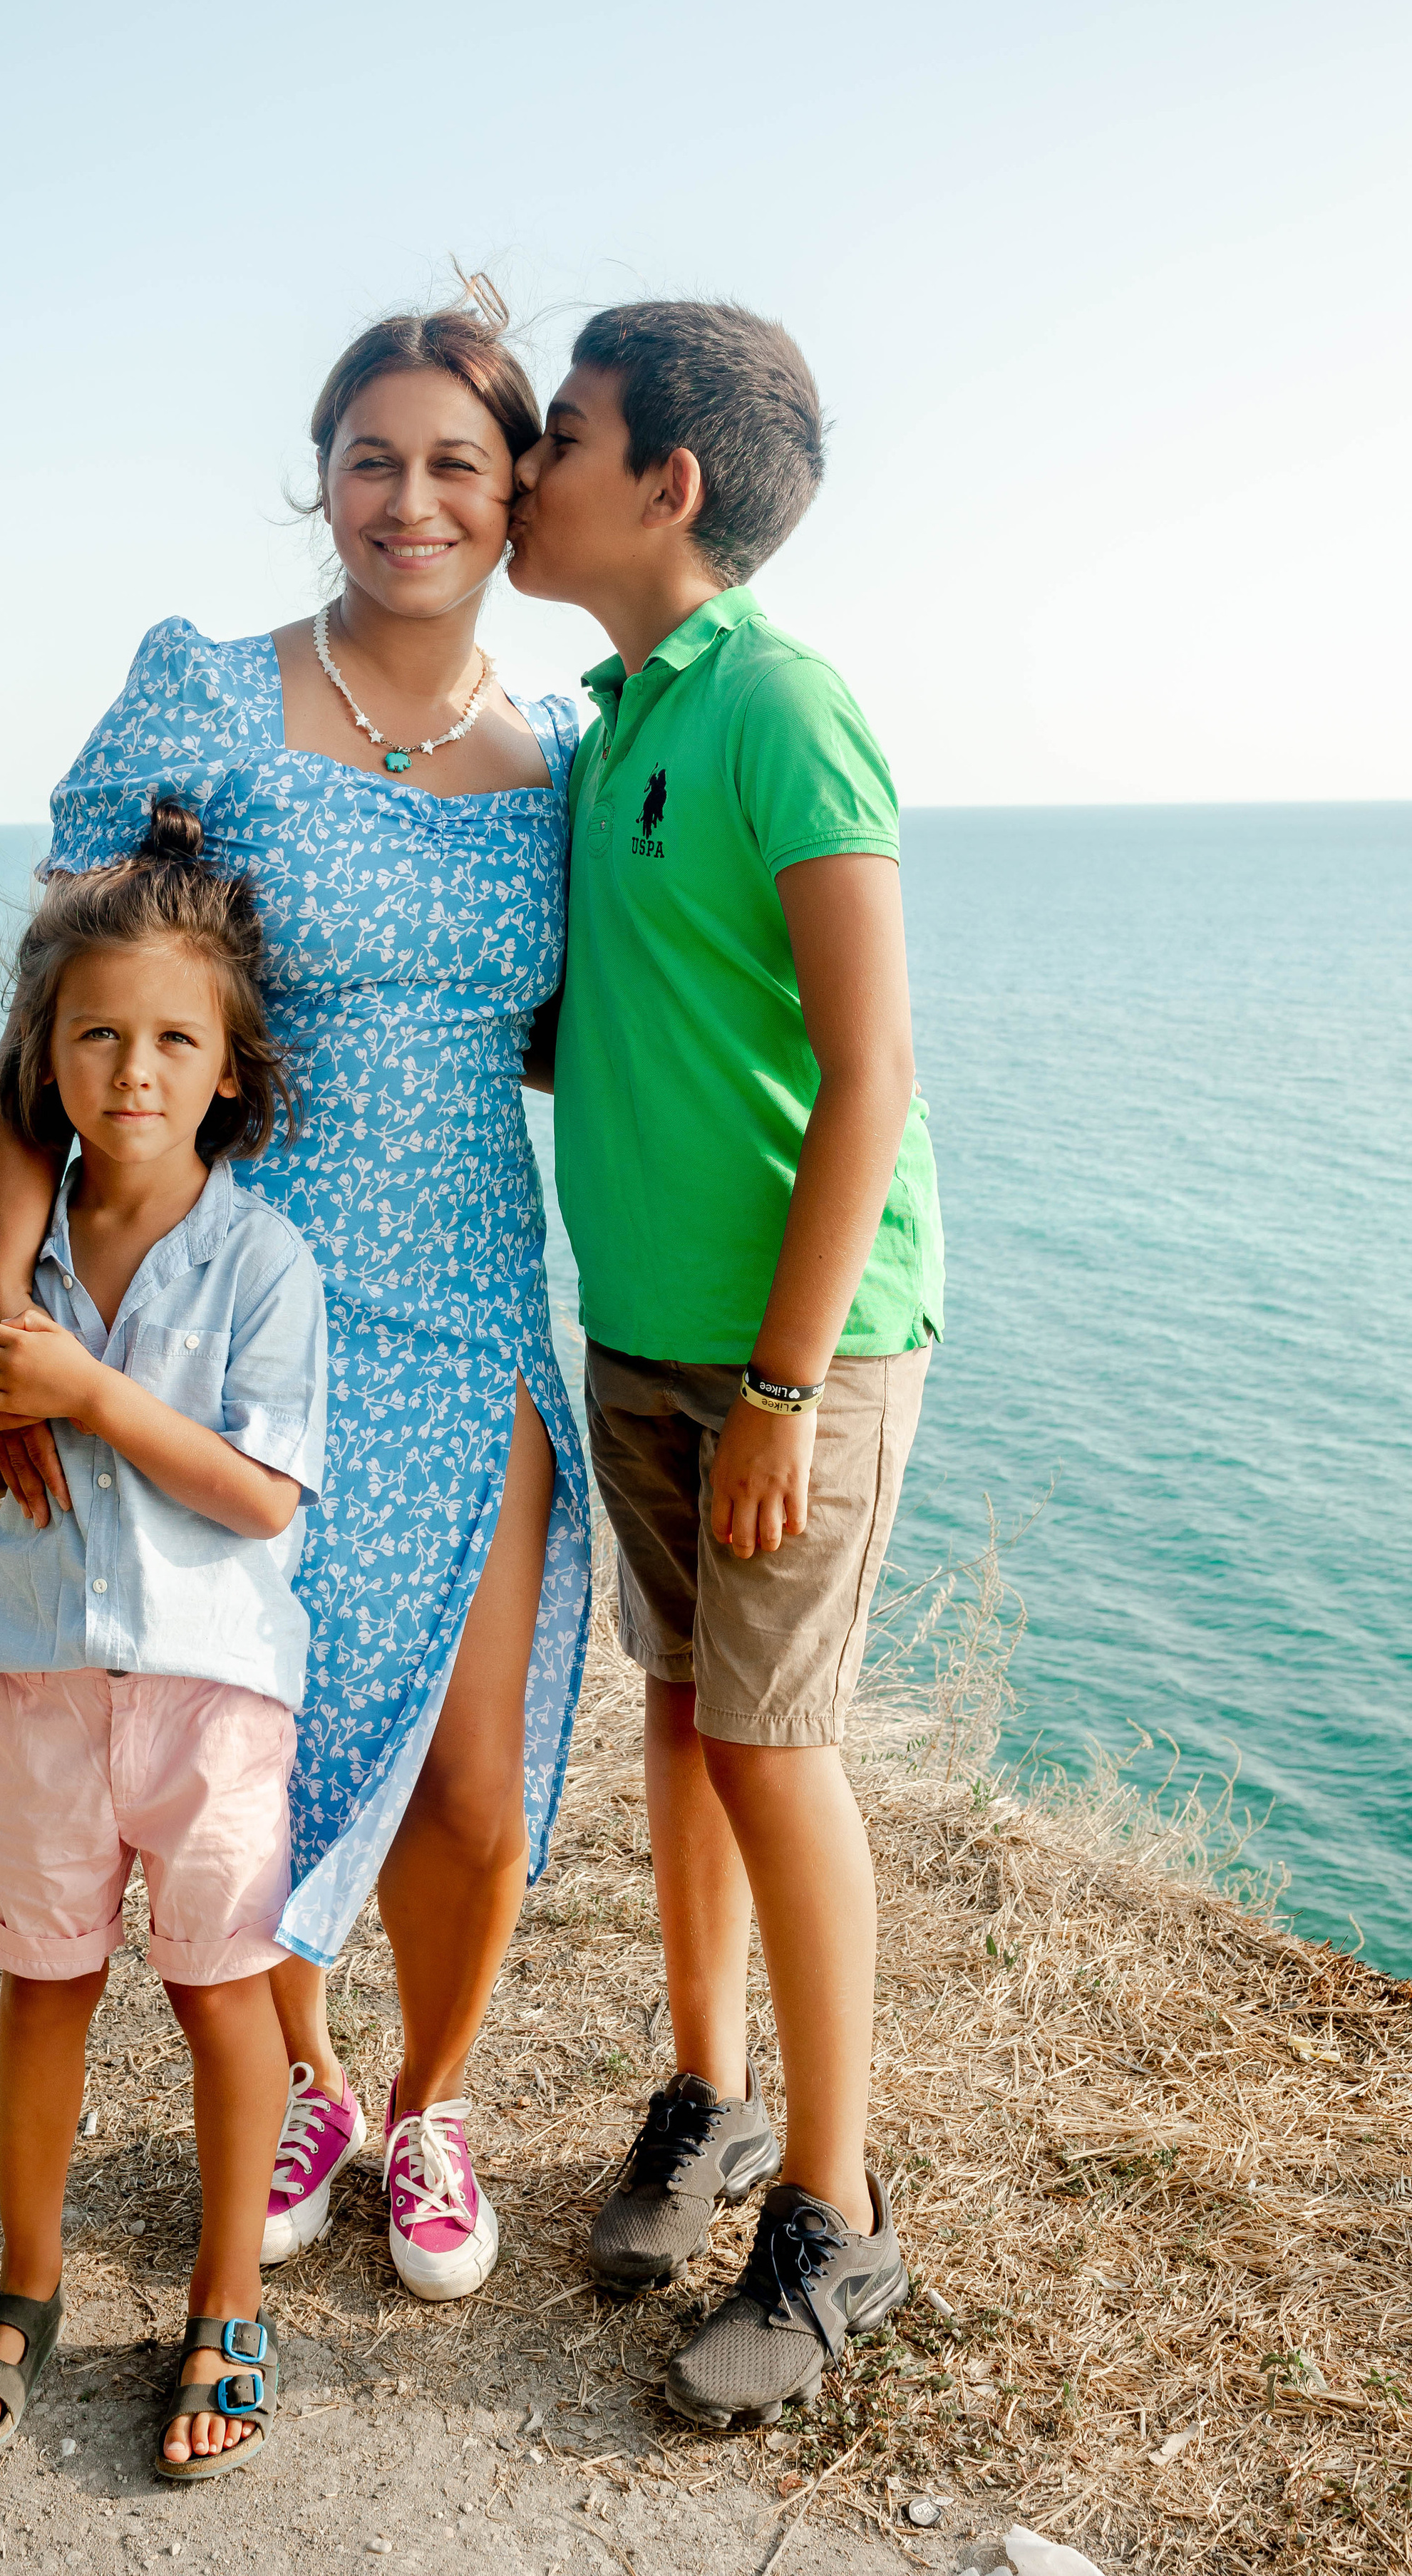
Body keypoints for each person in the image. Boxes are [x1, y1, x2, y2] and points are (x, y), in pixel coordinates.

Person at [0, 298, 591, 2304]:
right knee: (275, 1749)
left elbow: (614, 1036)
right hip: (232, 1315)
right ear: (321, 477)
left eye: (458, 465)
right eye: (373, 459)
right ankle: (307, 2081)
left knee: (473, 1778)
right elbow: (50, 1031)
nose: (411, 500)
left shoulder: (571, 757)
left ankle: (433, 2106)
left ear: (518, 498)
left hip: (474, 1305)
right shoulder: (203, 702)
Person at [508, 299, 944, 2425]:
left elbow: (870, 1073)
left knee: (773, 1747)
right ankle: (709, 2095)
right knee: (682, 1719)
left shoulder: (782, 704)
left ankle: (841, 2222)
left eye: (562, 432)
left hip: (799, 1347)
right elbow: (610, 1019)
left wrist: (784, 1387)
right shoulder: (606, 729)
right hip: (647, 1325)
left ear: (666, 483)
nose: (525, 466)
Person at [0, 801, 327, 2481]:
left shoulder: (262, 1260)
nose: (133, 1068)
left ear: (230, 1066)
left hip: (212, 1697)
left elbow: (261, 1499)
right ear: (46, 1054)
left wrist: (90, 1393)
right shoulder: (15, 1260)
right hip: (37, 1676)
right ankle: (26, 2282)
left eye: (174, 1037)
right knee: (44, 1980)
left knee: (222, 1995)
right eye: (96, 1034)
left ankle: (225, 2300)